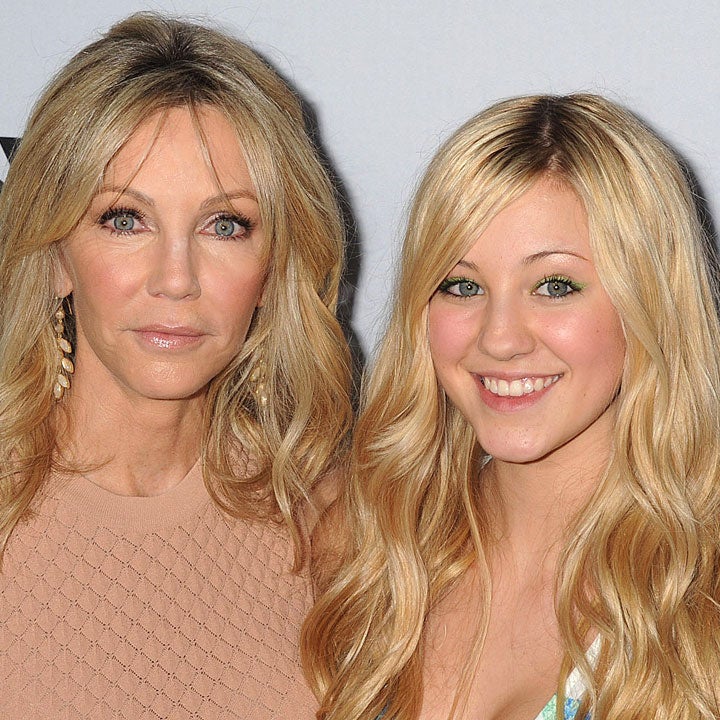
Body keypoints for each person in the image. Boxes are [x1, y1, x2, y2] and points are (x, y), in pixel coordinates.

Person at [303, 94, 720, 720]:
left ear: (648, 303)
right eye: (462, 285)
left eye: (554, 286)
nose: (499, 338)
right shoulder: (366, 548)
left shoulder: (699, 604)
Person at [0, 12, 352, 718]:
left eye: (225, 226)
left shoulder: (325, 510)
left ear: (273, 267)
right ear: (57, 254)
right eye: (125, 219)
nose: (176, 279)